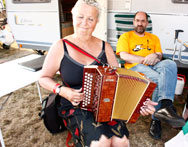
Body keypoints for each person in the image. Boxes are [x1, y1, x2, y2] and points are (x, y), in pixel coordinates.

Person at [38, 1, 157, 147]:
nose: (85, 23)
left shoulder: (105, 47)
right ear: (73, 16)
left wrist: (139, 102)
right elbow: (43, 78)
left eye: (91, 19)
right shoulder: (60, 46)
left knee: (122, 141)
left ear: (97, 22)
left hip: (104, 103)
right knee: (101, 142)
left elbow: (120, 81)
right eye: (80, 17)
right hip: (74, 103)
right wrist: (62, 90)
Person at [116, 11, 185, 140]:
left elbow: (159, 54)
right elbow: (124, 56)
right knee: (160, 80)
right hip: (135, 67)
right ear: (133, 22)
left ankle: (165, 106)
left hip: (154, 65)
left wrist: (155, 55)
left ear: (147, 23)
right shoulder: (126, 36)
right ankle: (157, 118)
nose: (140, 23)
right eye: (137, 20)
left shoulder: (154, 38)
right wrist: (144, 59)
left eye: (143, 21)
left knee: (170, 64)